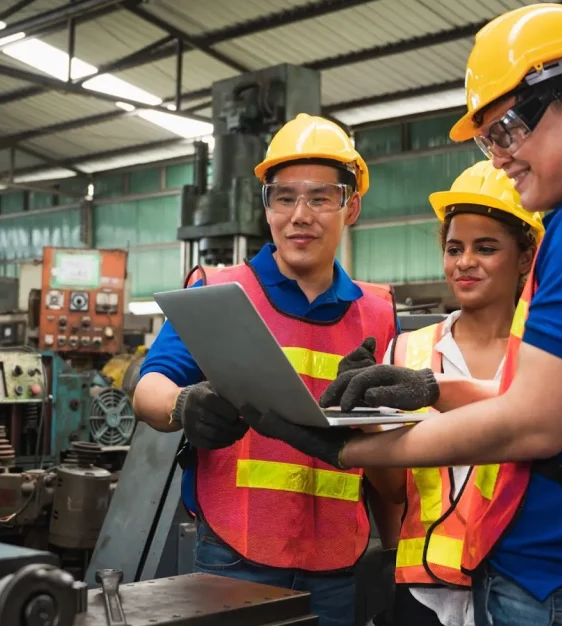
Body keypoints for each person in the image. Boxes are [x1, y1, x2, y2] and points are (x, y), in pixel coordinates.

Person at [239, 5, 562, 626]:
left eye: (506, 130)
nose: (498, 157)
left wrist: (348, 454)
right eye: (487, 140)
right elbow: (551, 399)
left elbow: (532, 426)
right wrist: (431, 387)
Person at [131, 113, 400, 626]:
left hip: (340, 561)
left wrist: (395, 555)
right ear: (267, 208)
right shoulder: (219, 293)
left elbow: (392, 445)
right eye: (284, 197)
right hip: (237, 554)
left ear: (352, 206)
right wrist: (183, 404)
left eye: (320, 197)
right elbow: (150, 387)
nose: (301, 214)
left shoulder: (379, 312)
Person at [372, 160, 542, 626]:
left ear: (525, 257)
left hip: (519, 587)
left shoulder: (547, 359)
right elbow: (391, 491)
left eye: (485, 248)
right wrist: (363, 423)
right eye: (454, 248)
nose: (465, 261)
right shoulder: (407, 350)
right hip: (422, 590)